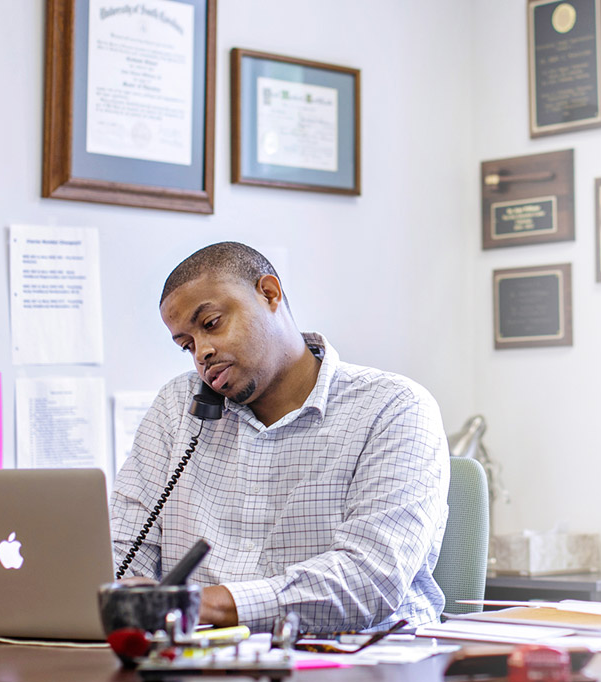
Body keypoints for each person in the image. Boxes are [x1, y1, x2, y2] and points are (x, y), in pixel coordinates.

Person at [110, 242, 449, 633]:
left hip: (356, 665)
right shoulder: (177, 407)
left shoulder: (394, 407)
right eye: (187, 345)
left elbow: (368, 580)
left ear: (269, 294)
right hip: (201, 663)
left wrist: (200, 605)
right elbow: (123, 552)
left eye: (211, 323)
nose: (201, 352)